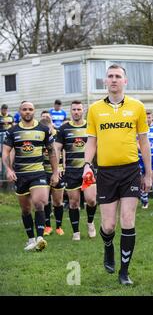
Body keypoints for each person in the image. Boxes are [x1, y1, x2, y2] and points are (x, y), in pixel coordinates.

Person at [83, 64, 152, 285]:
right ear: (105, 81)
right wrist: (86, 165)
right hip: (106, 172)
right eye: (110, 76)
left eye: (118, 76)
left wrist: (148, 173)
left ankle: (124, 272)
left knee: (128, 220)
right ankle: (107, 247)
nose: (114, 80)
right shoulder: (94, 109)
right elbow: (91, 141)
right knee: (109, 226)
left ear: (125, 81)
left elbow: (144, 141)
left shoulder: (137, 107)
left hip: (131, 170)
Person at [2, 101, 59, 251]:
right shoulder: (12, 131)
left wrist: (55, 172)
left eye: (30, 109)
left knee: (40, 202)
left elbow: (52, 151)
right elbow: (6, 152)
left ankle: (40, 238)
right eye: (24, 109)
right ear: (20, 111)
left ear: (34, 111)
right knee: (26, 209)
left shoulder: (43, 129)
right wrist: (8, 169)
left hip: (38, 173)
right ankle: (31, 239)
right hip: (20, 175)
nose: (27, 112)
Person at [55, 101, 97, 240]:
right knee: (73, 203)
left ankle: (90, 222)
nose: (76, 112)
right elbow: (57, 149)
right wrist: (59, 167)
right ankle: (76, 232)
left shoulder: (90, 127)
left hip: (88, 169)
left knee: (91, 200)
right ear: (70, 111)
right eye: (74, 109)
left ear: (83, 110)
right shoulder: (63, 129)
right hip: (71, 171)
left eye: (79, 109)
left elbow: (98, 145)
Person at [40, 111, 65, 237]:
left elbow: (63, 151)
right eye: (43, 116)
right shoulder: (39, 134)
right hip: (43, 172)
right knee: (44, 200)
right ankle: (47, 226)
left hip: (58, 171)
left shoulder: (58, 134)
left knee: (58, 201)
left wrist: (63, 167)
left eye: (47, 116)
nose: (45, 117)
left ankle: (59, 227)